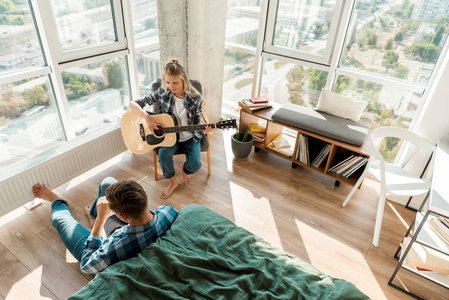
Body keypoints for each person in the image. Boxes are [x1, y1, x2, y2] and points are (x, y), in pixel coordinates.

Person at [31, 177, 178, 276]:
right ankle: (94, 214)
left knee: (60, 220)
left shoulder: (116, 245)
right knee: (108, 182)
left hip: (103, 247)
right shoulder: (168, 211)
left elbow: (87, 264)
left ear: (123, 217)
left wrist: (100, 220)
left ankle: (57, 201)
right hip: (140, 227)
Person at [129, 59, 210, 199]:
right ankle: (173, 183)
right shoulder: (162, 92)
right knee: (163, 156)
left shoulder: (194, 97)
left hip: (189, 136)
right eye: (167, 82)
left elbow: (198, 119)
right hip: (169, 137)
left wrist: (203, 128)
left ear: (183, 80)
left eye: (175, 83)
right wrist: (147, 117)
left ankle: (185, 171)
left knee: (196, 164)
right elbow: (133, 104)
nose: (171, 86)